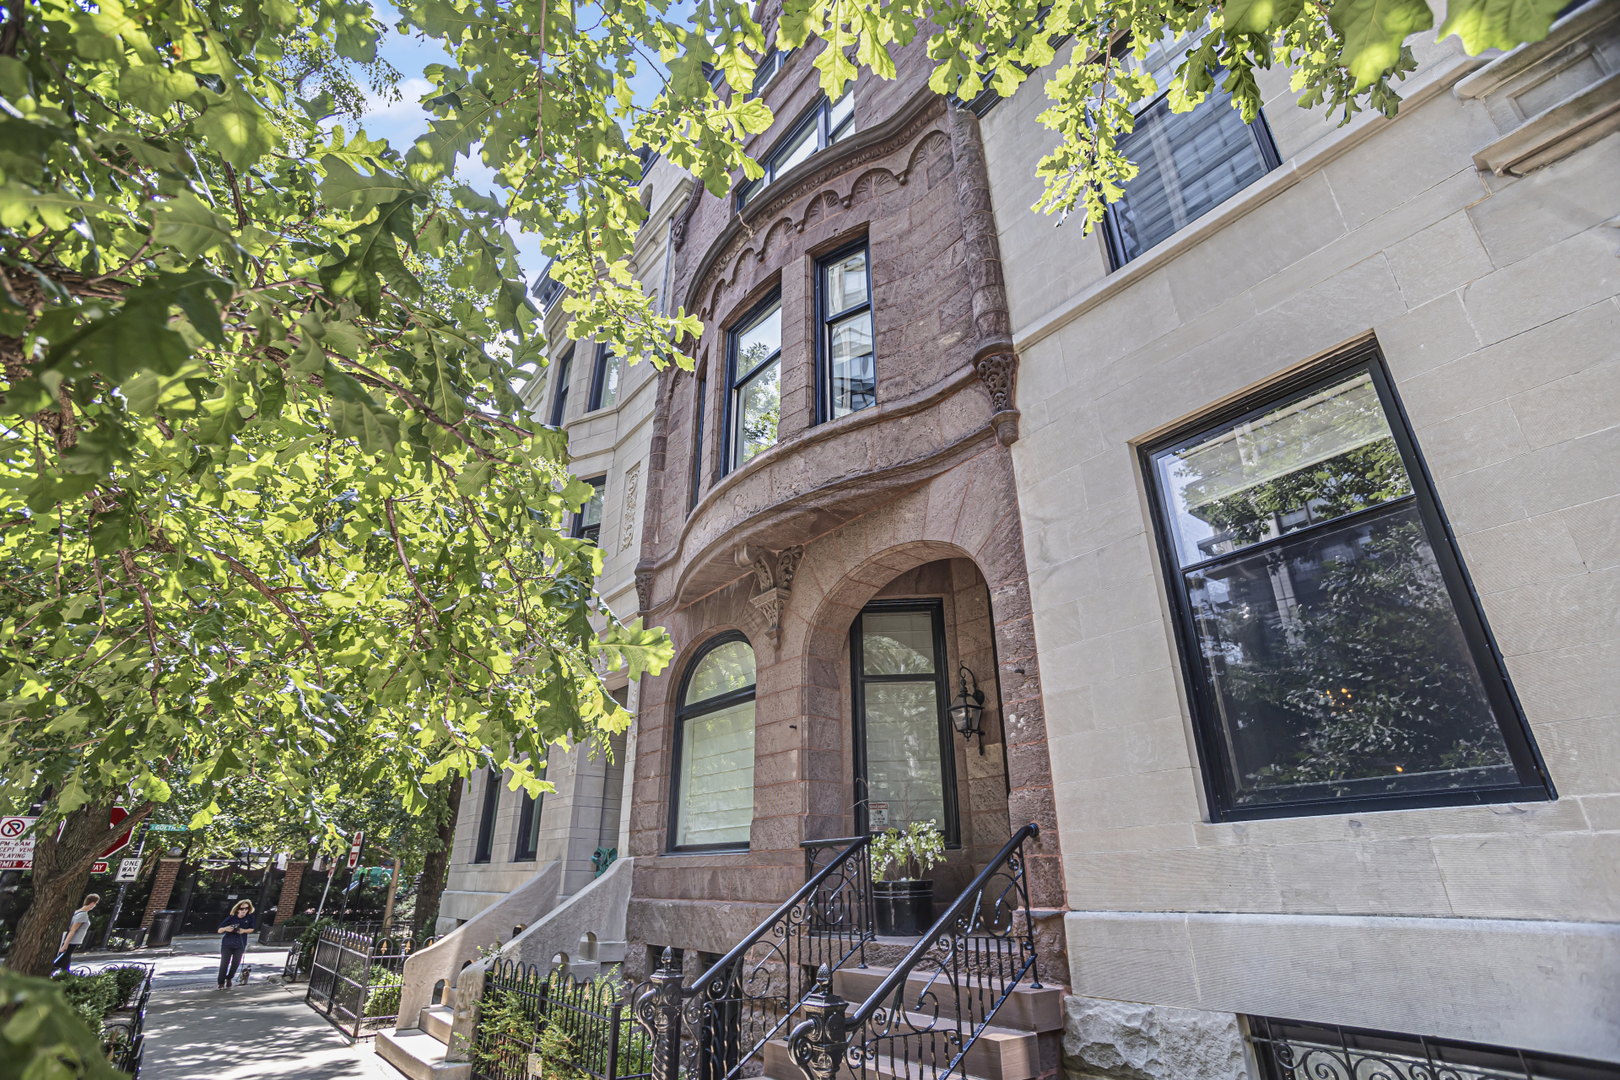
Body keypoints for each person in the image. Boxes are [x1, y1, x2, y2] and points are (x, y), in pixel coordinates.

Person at [52, 894, 100, 972]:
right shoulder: (83, 915)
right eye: (96, 903)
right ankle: (48, 975)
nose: (95, 906)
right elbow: (72, 930)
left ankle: (65, 974)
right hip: (73, 941)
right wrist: (65, 945)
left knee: (66, 960)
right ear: (92, 903)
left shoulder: (77, 912)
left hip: (71, 940)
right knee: (62, 960)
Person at [216, 900, 256, 988]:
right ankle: (221, 982)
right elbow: (219, 930)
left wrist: (243, 931)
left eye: (246, 908)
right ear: (238, 909)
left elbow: (252, 928)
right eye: (242, 908)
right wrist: (226, 928)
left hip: (240, 943)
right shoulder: (232, 918)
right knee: (224, 963)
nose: (244, 910)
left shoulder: (250, 917)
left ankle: (229, 977)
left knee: (236, 963)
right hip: (228, 943)